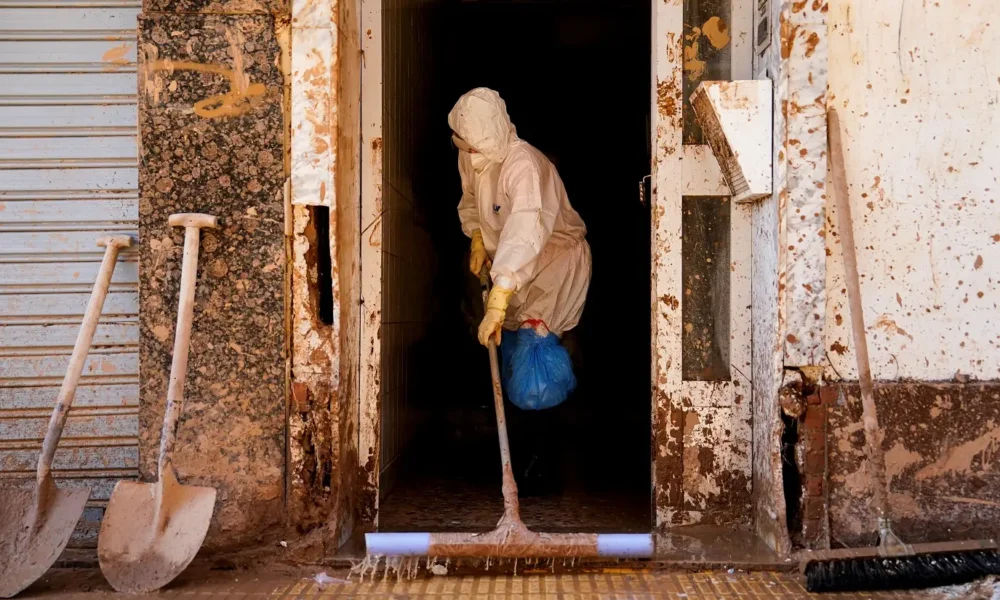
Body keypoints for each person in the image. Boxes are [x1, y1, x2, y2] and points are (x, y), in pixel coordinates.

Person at [449, 88, 592, 492]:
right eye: (462, 144)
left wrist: (500, 295)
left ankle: (545, 464)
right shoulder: (473, 155)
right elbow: (472, 198)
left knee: (536, 369)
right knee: (513, 358)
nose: (467, 152)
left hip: (551, 265)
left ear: (491, 135)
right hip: (511, 266)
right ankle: (526, 456)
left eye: (473, 144)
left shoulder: (523, 165)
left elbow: (526, 231)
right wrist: (477, 233)